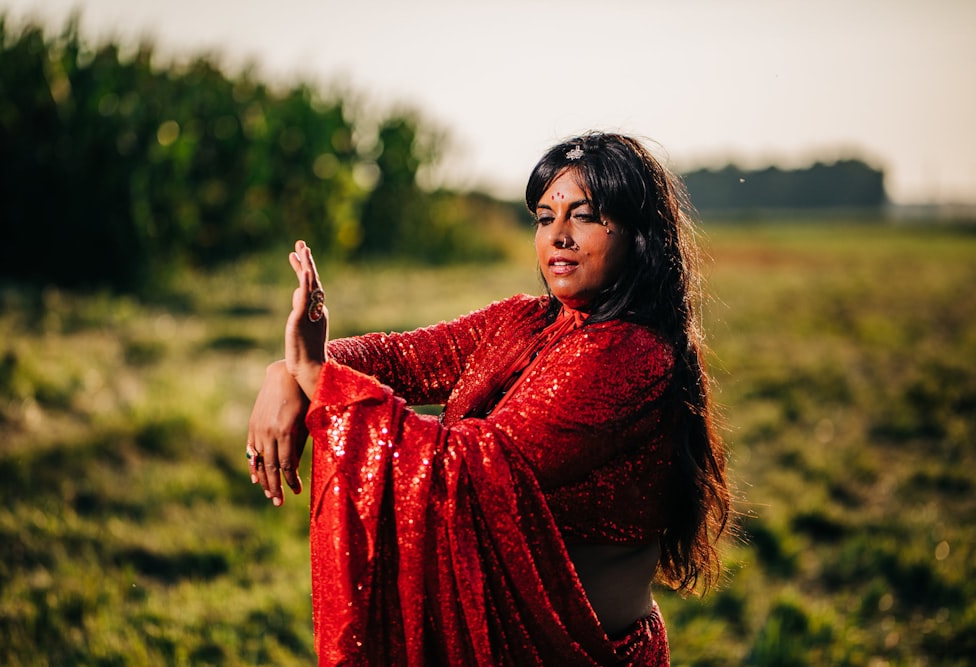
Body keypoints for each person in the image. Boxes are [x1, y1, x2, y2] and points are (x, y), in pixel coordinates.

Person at [246, 132, 731, 666]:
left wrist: (316, 375)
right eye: (545, 218)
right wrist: (285, 371)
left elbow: (480, 464)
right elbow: (400, 357)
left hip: (586, 653)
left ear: (640, 236)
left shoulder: (634, 352)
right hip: (495, 642)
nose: (558, 236)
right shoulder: (525, 320)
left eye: (585, 216)